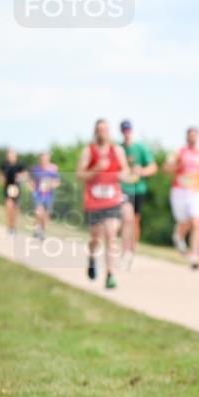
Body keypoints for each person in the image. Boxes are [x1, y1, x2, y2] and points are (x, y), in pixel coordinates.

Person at [75, 119, 133, 289]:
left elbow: (125, 170)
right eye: (99, 130)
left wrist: (125, 175)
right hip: (93, 201)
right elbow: (80, 175)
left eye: (105, 129)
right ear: (95, 132)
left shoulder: (117, 151)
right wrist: (96, 168)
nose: (102, 132)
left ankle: (110, 274)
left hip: (112, 200)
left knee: (110, 234)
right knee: (95, 237)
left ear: (109, 132)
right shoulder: (88, 151)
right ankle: (92, 258)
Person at [165, 126, 199, 270]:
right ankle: (178, 236)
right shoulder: (178, 152)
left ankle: (194, 257)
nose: (193, 138)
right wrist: (176, 164)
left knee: (197, 222)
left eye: (195, 135)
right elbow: (166, 169)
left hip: (197, 191)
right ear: (186, 137)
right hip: (179, 191)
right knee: (184, 222)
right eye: (190, 135)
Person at [119, 119, 158, 262]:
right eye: (124, 130)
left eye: (128, 129)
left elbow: (153, 167)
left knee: (135, 220)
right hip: (123, 189)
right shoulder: (118, 148)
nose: (126, 132)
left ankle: (132, 250)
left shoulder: (140, 148)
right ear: (121, 131)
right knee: (126, 218)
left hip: (138, 189)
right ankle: (124, 250)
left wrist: (141, 171)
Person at [28, 152, 60, 240]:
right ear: (39, 160)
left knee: (45, 216)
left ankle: (41, 231)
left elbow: (57, 182)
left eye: (46, 159)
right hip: (37, 195)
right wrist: (31, 188)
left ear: (49, 159)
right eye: (42, 159)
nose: (44, 161)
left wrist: (50, 185)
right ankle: (37, 231)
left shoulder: (53, 169)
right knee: (39, 213)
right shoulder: (35, 169)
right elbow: (30, 180)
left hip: (48, 196)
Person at [0, 150, 25, 235]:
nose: (10, 158)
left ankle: (13, 226)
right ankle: (9, 227)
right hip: (8, 189)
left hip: (16, 189)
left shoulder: (19, 166)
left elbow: (25, 175)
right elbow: (1, 175)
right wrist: (2, 180)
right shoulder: (4, 165)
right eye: (8, 156)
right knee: (8, 207)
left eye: (11, 156)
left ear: (15, 156)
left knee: (14, 209)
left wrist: (20, 176)